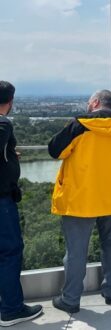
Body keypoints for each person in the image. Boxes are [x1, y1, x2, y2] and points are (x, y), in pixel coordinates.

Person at [48, 90, 111, 313]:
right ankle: (110, 291)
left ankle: (70, 299)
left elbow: (55, 151)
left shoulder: (78, 126)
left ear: (96, 102)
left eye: (89, 102)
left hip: (80, 199)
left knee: (77, 252)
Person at [0, 81, 43, 326]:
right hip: (1, 200)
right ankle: (12, 309)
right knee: (10, 252)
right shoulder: (3, 123)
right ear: (10, 101)